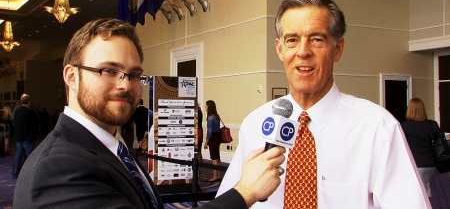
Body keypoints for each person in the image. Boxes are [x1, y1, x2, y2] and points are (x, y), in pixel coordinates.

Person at [14, 18, 286, 209]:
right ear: (72, 76)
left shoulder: (113, 147)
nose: (125, 85)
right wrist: (245, 192)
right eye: (108, 70)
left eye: (133, 75)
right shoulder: (57, 167)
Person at [217, 0, 430, 208]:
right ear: (280, 49)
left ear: (337, 49)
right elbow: (231, 200)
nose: (303, 51)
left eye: (317, 40)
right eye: (292, 40)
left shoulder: (377, 128)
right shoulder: (255, 124)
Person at [401, 97, 440, 198]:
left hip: (414, 164)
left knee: (415, 194)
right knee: (426, 192)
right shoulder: (432, 125)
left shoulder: (405, 126)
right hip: (431, 165)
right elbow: (440, 141)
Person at [11, 94, 39, 179]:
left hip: (19, 136)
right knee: (29, 156)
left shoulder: (17, 111)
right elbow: (35, 122)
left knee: (18, 155)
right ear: (29, 102)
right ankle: (29, 173)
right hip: (28, 137)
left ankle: (15, 173)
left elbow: (14, 121)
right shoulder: (30, 112)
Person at [203, 100, 222, 182]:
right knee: (217, 157)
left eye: (206, 105)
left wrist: (206, 141)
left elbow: (209, 130)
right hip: (218, 136)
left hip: (213, 137)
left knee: (214, 157)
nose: (205, 107)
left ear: (209, 107)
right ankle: (219, 174)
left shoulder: (211, 117)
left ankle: (215, 176)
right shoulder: (216, 116)